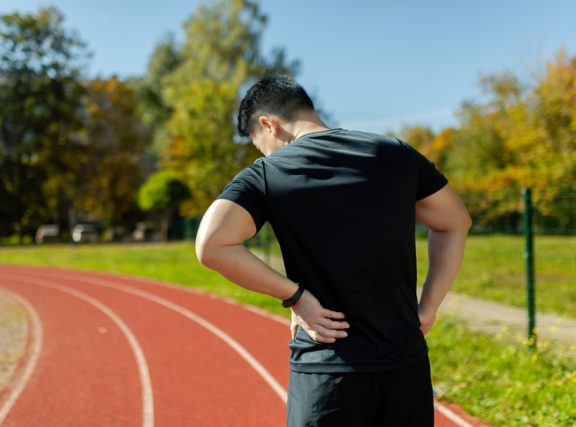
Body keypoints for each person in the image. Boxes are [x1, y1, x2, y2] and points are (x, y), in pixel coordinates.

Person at [195, 76, 472, 426]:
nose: (263, 152)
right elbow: (455, 222)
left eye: (258, 143)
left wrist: (296, 297)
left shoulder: (268, 172)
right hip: (404, 364)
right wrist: (428, 307)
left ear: (269, 124)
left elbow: (211, 245)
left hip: (326, 367)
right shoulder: (395, 154)